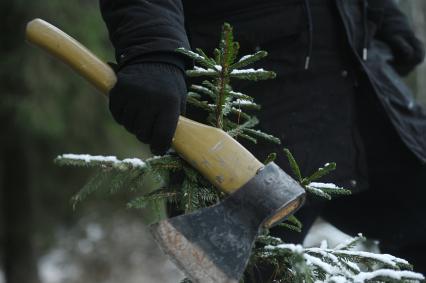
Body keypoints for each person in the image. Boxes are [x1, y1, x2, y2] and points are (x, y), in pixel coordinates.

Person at [100, 0, 426, 275]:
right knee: (261, 271)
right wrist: (154, 48)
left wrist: (379, 9)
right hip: (251, 109)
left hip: (361, 82)